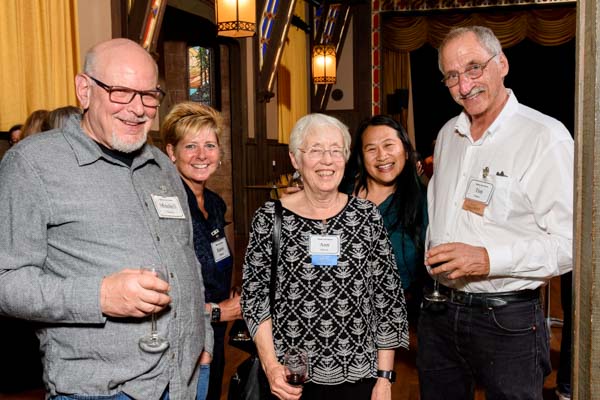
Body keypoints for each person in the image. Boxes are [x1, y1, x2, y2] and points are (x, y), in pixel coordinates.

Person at [0, 38, 210, 399]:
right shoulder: (32, 164)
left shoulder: (160, 165)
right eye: (121, 92)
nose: (138, 109)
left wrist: (203, 339)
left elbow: (186, 256)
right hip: (100, 391)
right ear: (84, 90)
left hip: (185, 380)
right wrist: (99, 296)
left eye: (149, 95)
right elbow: (6, 281)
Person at [418, 26, 573, 400]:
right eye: (452, 76)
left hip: (507, 321)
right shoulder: (449, 135)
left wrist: (487, 259)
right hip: (439, 314)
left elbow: (571, 244)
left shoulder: (544, 137)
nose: (464, 85)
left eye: (474, 68)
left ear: (501, 63)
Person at [241, 113, 409, 400]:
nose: (327, 160)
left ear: (346, 158)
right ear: (295, 159)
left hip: (359, 376)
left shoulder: (366, 217)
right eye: (316, 150)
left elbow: (387, 299)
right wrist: (271, 367)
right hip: (289, 377)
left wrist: (384, 378)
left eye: (336, 150)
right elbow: (255, 298)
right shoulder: (270, 218)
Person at [162, 101, 241, 400]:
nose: (202, 155)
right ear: (172, 152)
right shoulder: (165, 206)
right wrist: (218, 311)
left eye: (209, 145)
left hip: (215, 333)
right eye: (190, 146)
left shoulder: (215, 204)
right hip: (181, 340)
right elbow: (164, 288)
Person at [342, 115, 428, 323]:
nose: (381, 156)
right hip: (337, 308)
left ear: (405, 151)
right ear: (361, 156)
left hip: (395, 316)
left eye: (389, 145)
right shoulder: (339, 194)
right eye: (371, 149)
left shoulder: (422, 201)